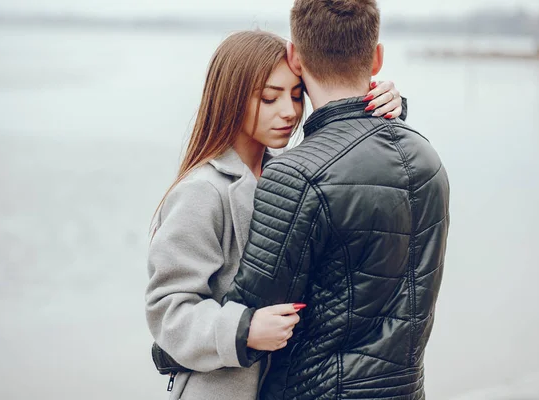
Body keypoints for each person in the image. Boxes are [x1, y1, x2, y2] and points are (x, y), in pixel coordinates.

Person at [145, 30, 405, 400]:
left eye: (297, 95)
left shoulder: (295, 176)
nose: (290, 111)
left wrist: (383, 105)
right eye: (270, 97)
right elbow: (168, 310)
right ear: (230, 98)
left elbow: (356, 175)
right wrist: (243, 329)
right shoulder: (203, 190)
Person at [222, 1, 451, 399]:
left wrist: (167, 352)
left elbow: (252, 311)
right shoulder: (426, 157)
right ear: (377, 57)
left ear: (294, 57)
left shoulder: (296, 174)